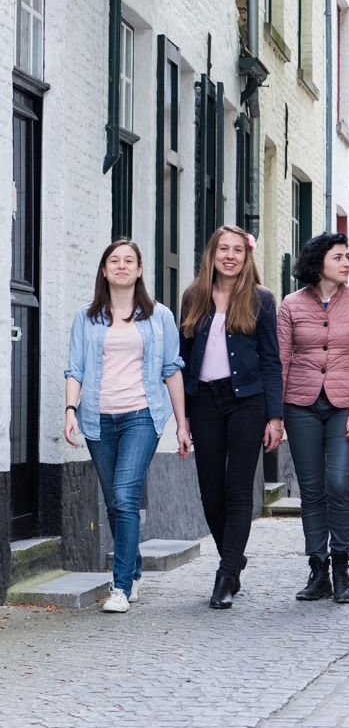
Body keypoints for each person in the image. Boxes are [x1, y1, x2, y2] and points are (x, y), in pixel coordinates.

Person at [63, 239, 191, 614]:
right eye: (113, 260)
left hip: (141, 416)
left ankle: (119, 586)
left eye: (129, 260)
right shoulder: (85, 317)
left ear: (139, 270)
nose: (121, 266)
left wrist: (183, 425)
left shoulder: (159, 317)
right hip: (97, 419)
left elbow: (171, 371)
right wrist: (71, 410)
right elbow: (75, 369)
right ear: (104, 270)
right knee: (115, 501)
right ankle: (132, 568)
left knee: (123, 496)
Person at [179, 226, 283, 609]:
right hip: (205, 400)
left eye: (237, 250)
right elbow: (183, 358)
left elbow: (273, 361)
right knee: (210, 491)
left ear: (246, 256)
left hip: (247, 401)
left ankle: (224, 577)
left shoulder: (261, 300)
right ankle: (233, 558)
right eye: (223, 248)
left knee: (239, 489)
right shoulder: (194, 297)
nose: (230, 256)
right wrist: (183, 418)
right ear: (212, 254)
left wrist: (276, 417)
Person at [279, 233, 349, 604]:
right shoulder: (291, 305)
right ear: (319, 261)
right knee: (310, 490)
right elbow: (280, 362)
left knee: (338, 484)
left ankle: (341, 565)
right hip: (300, 405)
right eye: (339, 257)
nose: (346, 263)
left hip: (344, 407)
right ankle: (318, 568)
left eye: (348, 257)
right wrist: (276, 415)